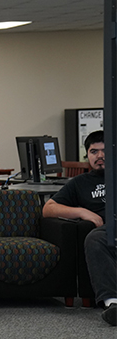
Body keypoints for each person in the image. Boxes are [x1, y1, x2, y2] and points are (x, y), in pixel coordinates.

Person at [42, 130, 115, 325]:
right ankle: (112, 303)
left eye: (104, 150)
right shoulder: (80, 183)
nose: (99, 156)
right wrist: (82, 212)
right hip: (105, 230)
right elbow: (48, 209)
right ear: (88, 155)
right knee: (94, 238)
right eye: (93, 151)